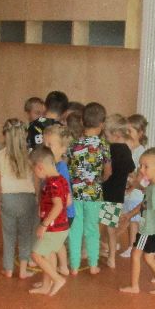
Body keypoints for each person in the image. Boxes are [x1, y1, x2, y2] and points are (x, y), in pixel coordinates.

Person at [119, 147, 155, 295]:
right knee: (148, 258)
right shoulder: (151, 186)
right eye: (140, 165)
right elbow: (144, 204)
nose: (141, 169)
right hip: (149, 229)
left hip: (149, 231)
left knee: (136, 254)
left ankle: (135, 286)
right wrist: (129, 215)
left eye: (146, 166)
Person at [67, 102, 111, 275]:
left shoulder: (73, 144)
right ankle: (93, 265)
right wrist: (99, 181)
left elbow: (67, 167)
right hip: (94, 194)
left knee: (75, 229)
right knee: (92, 229)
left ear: (82, 121)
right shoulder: (103, 145)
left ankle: (74, 266)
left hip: (75, 193)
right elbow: (108, 171)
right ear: (102, 124)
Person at [0, 118, 37, 279]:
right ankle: (23, 270)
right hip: (27, 198)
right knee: (25, 235)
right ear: (24, 135)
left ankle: (8, 269)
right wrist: (37, 196)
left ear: (5, 135)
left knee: (9, 235)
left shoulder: (1, 154)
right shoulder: (30, 154)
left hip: (8, 198)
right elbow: (36, 179)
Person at [29, 147, 71, 296]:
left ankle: (57, 279)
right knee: (49, 254)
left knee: (36, 255)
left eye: (34, 170)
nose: (35, 174)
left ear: (40, 167)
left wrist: (44, 224)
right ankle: (46, 285)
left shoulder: (52, 183)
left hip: (53, 228)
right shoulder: (62, 180)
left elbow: (58, 205)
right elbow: (68, 202)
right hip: (62, 226)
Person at [100, 114, 135, 268]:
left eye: (107, 134)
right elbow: (131, 169)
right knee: (111, 229)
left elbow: (106, 172)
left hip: (104, 193)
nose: (105, 137)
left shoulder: (108, 149)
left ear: (116, 134)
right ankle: (111, 257)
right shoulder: (126, 150)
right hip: (117, 196)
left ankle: (101, 249)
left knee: (98, 225)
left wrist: (101, 180)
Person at [42, 123, 74, 276]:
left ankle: (51, 276)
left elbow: (67, 199)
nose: (46, 148)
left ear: (63, 149)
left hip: (61, 214)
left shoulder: (60, 169)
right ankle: (63, 267)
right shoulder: (52, 165)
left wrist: (53, 214)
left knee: (50, 246)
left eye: (50, 145)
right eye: (45, 144)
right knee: (57, 242)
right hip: (60, 213)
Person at [119, 113, 149, 258]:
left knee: (133, 222)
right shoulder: (128, 148)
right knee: (126, 217)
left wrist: (131, 187)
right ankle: (122, 243)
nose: (127, 133)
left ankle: (132, 246)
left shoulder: (141, 151)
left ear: (140, 133)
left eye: (130, 130)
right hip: (127, 190)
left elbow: (140, 174)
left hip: (135, 192)